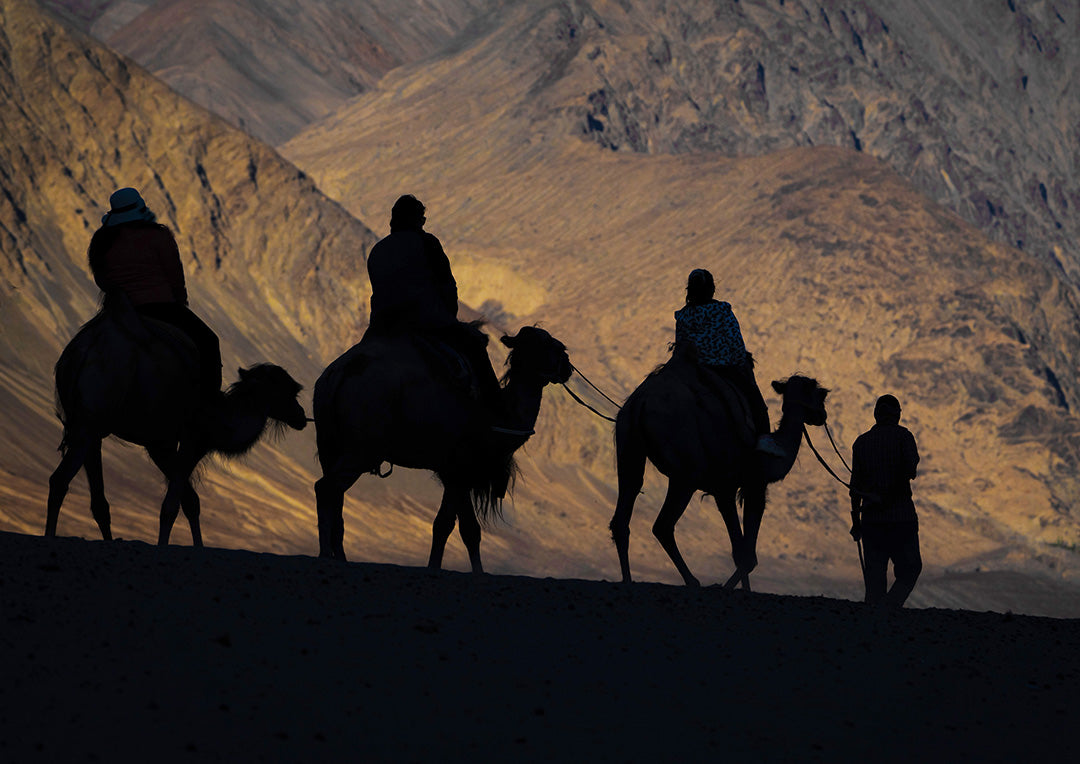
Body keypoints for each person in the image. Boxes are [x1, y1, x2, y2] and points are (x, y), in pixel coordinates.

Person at [366, 194, 501, 412]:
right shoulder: (427, 243)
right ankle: (496, 411)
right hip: (424, 321)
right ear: (416, 219)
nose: (423, 223)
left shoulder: (377, 250)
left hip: (380, 327)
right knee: (475, 344)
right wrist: (449, 317)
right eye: (421, 218)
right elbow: (447, 286)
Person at [88, 187, 222, 399]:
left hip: (121, 312)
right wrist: (180, 303)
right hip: (162, 308)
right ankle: (211, 401)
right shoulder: (158, 236)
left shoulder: (102, 241)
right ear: (140, 210)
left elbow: (101, 279)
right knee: (209, 342)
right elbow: (175, 276)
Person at [673, 268, 778, 455]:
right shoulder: (722, 311)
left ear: (690, 290)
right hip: (722, 368)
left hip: (692, 371)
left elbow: (681, 346)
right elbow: (736, 343)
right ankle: (764, 440)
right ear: (712, 289)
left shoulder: (683, 316)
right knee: (754, 398)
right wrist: (740, 362)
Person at [848, 394, 922, 608]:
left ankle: (874, 624)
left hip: (871, 522)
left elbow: (855, 488)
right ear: (897, 414)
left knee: (874, 582)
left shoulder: (861, 443)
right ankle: (889, 608)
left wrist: (856, 521)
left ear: (876, 414)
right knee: (910, 569)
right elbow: (911, 470)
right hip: (902, 519)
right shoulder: (904, 437)